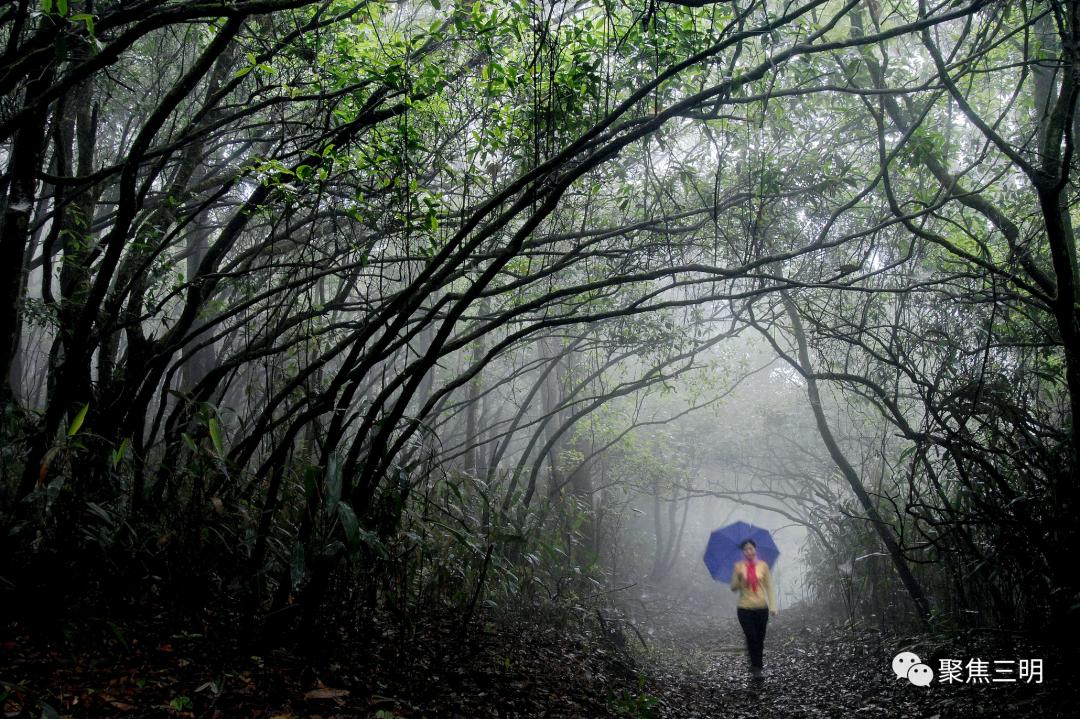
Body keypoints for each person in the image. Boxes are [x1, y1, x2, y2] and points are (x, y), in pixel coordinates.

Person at [730, 538, 777, 679]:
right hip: (744, 608)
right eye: (746, 549)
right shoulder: (739, 566)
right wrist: (738, 577)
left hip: (761, 608)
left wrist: (773, 606)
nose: (749, 551)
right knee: (751, 637)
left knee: (760, 639)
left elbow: (769, 587)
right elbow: (733, 587)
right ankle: (755, 667)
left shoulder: (763, 566)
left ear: (755, 550)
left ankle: (758, 666)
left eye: (751, 548)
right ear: (743, 552)